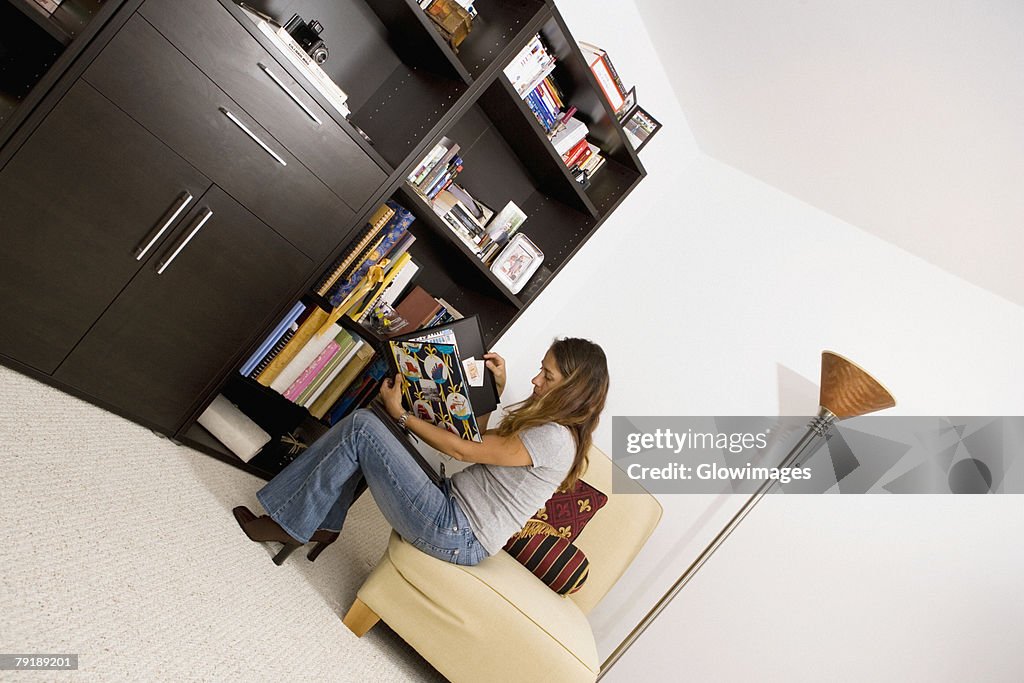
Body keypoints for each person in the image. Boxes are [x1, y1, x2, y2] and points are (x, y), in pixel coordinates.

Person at [233, 337, 609, 566]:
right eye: (540, 369)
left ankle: (291, 526)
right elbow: (478, 442)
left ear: (573, 389)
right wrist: (492, 390)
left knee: (367, 426)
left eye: (548, 376)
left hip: (456, 532)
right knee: (371, 428)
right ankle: (321, 525)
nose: (535, 379)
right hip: (452, 508)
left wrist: (402, 416)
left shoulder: (555, 437)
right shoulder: (551, 427)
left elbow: (463, 451)